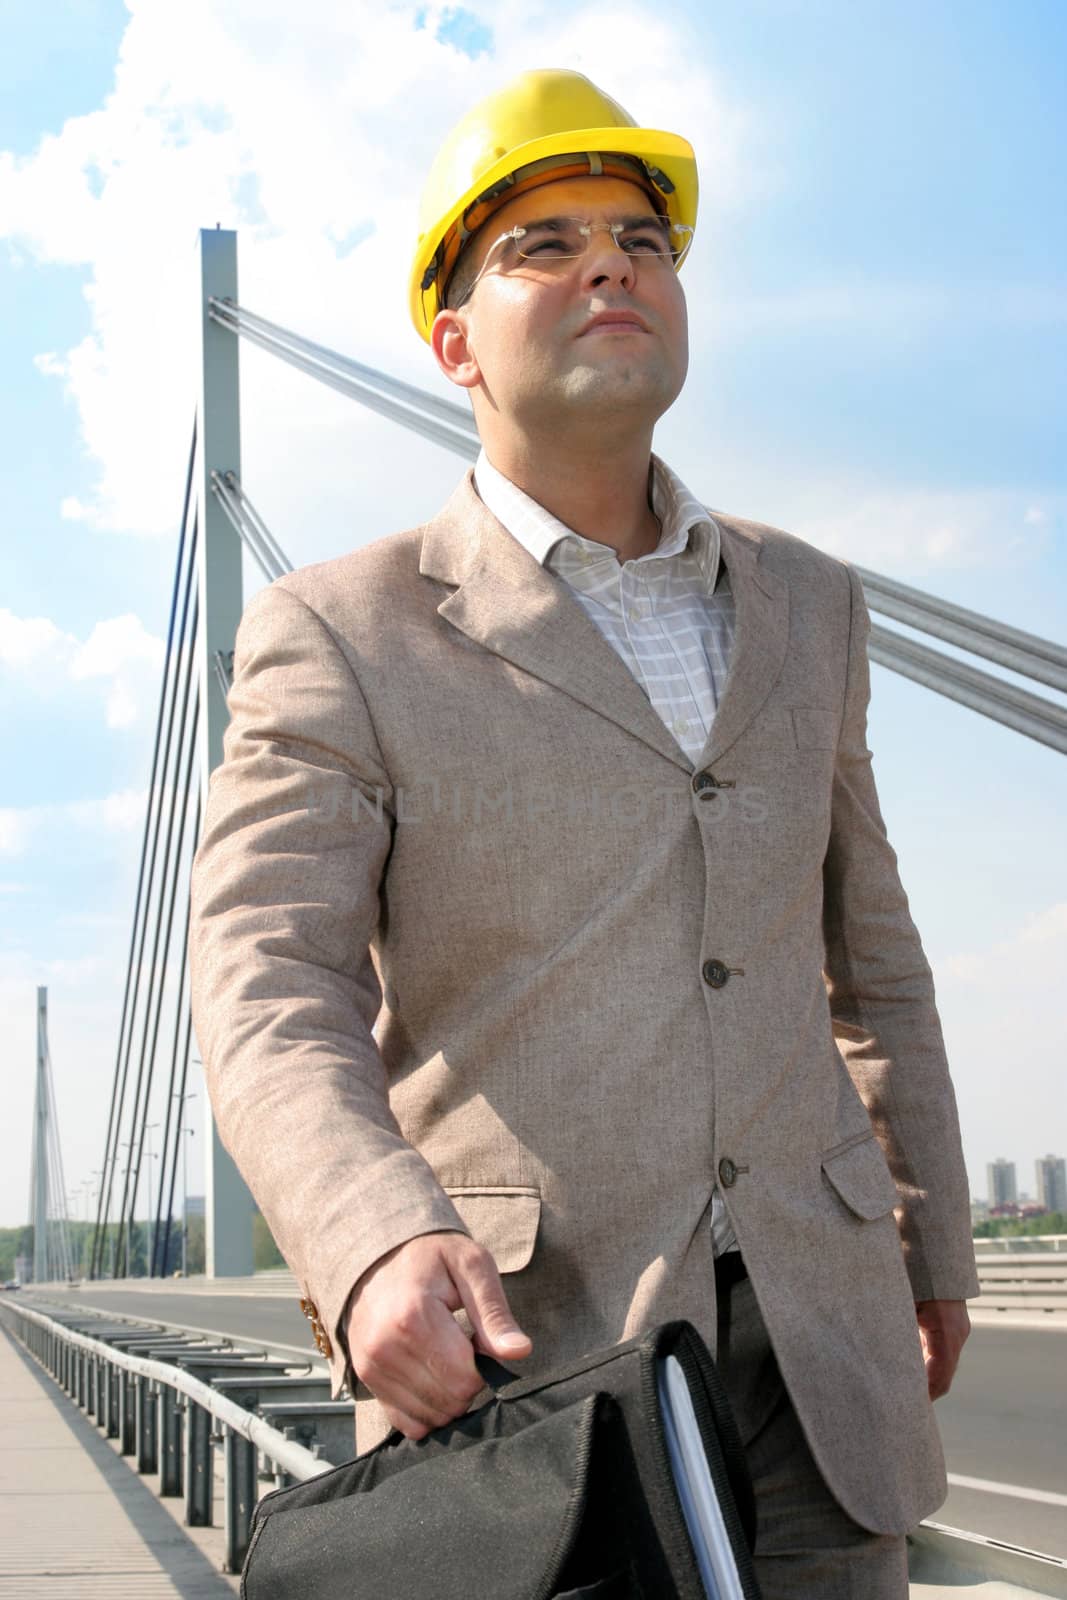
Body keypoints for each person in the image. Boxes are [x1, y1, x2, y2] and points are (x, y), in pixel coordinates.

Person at [188, 68, 978, 1598]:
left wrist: (934, 1240)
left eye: (642, 238)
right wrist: (363, 1246)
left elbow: (873, 969)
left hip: (827, 1363)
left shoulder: (813, 603)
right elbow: (266, 981)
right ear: (454, 344)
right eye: (542, 245)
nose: (610, 262)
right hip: (528, 1373)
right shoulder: (336, 630)